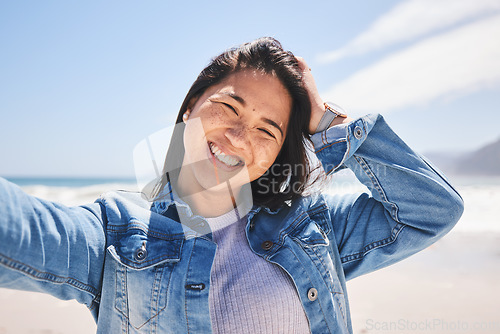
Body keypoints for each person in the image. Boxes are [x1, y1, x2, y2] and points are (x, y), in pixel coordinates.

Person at [0, 37, 464, 334]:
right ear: (189, 108)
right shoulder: (116, 237)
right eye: (229, 108)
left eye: (268, 130)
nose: (240, 138)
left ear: (275, 154)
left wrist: (325, 121)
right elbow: (19, 229)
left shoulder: (311, 230)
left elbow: (433, 209)